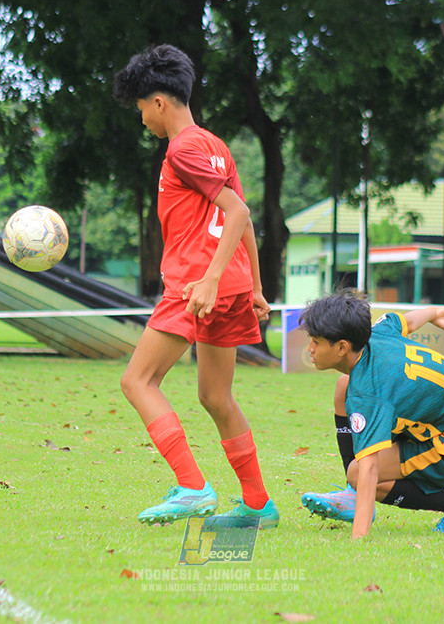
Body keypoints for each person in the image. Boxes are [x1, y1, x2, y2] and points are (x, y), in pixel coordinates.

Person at [112, 44, 278, 528]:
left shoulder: (182, 149)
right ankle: (257, 504)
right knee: (215, 396)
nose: (142, 118)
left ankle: (191, 486)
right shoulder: (213, 144)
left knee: (137, 380)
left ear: (160, 102)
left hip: (195, 287)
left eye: (142, 108)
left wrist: (207, 280)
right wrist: (255, 286)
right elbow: (242, 216)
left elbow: (239, 213)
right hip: (227, 286)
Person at [298, 290, 444, 538]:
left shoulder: (370, 395)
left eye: (316, 342)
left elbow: (369, 469)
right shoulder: (379, 330)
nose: (310, 349)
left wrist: (358, 539)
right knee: (342, 387)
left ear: (341, 347)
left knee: (360, 475)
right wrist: (435, 312)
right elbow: (411, 321)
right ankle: (352, 495)